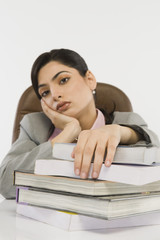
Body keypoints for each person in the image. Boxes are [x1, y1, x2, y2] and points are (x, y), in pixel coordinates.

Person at [0, 48, 159, 199]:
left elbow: (155, 158)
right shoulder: (35, 127)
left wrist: (122, 132)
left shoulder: (126, 122)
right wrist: (68, 133)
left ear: (89, 79)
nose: (55, 95)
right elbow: (5, 183)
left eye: (63, 80)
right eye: (45, 92)